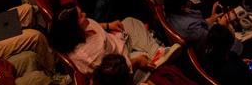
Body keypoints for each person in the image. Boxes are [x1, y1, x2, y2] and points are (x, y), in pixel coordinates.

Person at [47, 5, 175, 77]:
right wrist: (136, 61)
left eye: (82, 12)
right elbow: (112, 74)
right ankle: (156, 56)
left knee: (129, 21)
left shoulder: (82, 28)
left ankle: (156, 51)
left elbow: (96, 25)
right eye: (80, 16)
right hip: (122, 64)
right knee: (145, 60)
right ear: (73, 29)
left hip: (117, 41)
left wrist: (108, 25)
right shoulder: (88, 55)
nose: (85, 14)